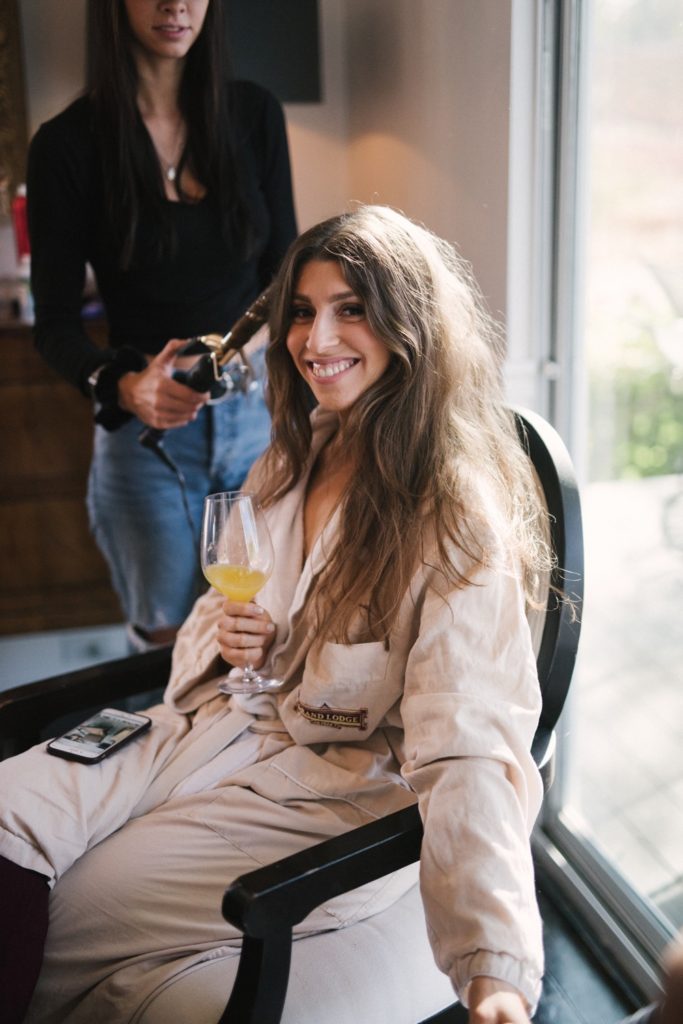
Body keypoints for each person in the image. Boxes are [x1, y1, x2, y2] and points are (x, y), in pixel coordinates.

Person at [0, 206, 552, 1024]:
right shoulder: (297, 449)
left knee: (70, 914)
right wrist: (227, 640)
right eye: (301, 310)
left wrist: (493, 965)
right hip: (206, 726)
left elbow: (469, 736)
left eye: (350, 308)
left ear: (409, 324)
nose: (315, 336)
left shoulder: (453, 515)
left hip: (330, 786)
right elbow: (224, 607)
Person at [26, 0, 297, 646]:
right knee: (165, 653)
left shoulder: (255, 116)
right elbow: (55, 325)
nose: (175, 4)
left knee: (259, 634)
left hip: (255, 425)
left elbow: (286, 281)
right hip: (145, 445)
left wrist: (235, 358)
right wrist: (127, 387)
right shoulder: (66, 146)